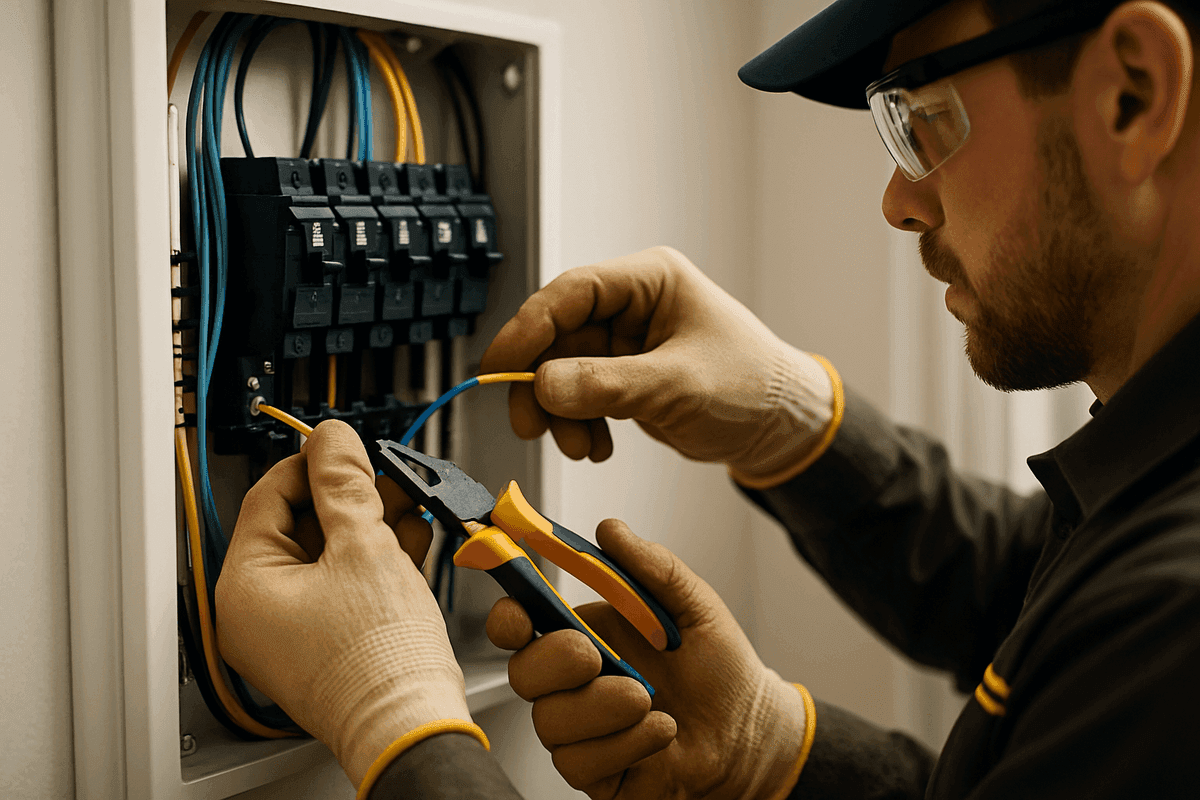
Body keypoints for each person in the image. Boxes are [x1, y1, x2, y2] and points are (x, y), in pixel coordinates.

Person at [217, 0, 1200, 797]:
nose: (899, 200)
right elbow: (1027, 598)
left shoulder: (1171, 626)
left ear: (1134, 94)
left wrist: (402, 729)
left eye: (922, 115)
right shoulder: (1150, 515)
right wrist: (773, 748)